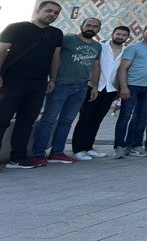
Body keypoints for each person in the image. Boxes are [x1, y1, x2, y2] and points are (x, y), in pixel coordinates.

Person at [0, 1, 63, 170]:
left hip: (38, 82)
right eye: (48, 10)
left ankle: (18, 158)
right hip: (12, 80)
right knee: (2, 119)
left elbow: (55, 58)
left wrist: (52, 79)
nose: (52, 14)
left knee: (26, 121)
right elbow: (1, 50)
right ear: (38, 11)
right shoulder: (16, 28)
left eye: (56, 12)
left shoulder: (56, 33)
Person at [31, 16, 101, 165]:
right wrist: (52, 79)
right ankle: (38, 154)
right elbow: (53, 56)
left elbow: (95, 67)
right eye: (88, 25)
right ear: (81, 26)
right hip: (61, 84)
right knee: (48, 120)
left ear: (99, 30)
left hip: (81, 86)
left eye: (95, 26)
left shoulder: (97, 46)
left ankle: (57, 152)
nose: (91, 28)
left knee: (67, 120)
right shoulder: (67, 39)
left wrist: (94, 86)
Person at [72, 24, 130, 160]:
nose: (120, 37)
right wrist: (92, 84)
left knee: (97, 119)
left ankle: (88, 147)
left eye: (123, 35)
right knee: (85, 118)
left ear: (127, 38)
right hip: (93, 87)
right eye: (118, 34)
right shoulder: (100, 47)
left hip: (110, 89)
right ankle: (78, 149)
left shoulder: (126, 51)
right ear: (112, 34)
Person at [115, 23, 147, 159]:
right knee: (125, 117)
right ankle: (119, 146)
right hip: (132, 86)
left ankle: (136, 145)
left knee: (142, 118)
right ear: (144, 32)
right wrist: (124, 87)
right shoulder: (133, 48)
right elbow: (123, 68)